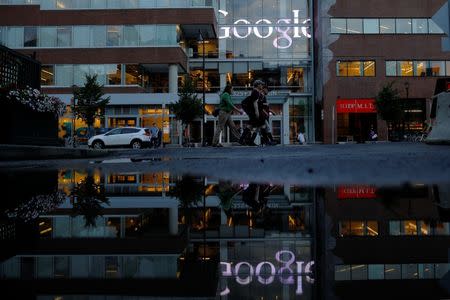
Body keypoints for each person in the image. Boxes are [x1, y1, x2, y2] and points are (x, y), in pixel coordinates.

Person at [239, 80, 267, 146]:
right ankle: (266, 141)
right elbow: (255, 103)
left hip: (251, 110)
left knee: (251, 125)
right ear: (258, 85)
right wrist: (257, 112)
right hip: (252, 111)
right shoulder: (255, 92)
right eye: (261, 84)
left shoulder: (256, 92)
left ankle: (245, 140)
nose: (262, 86)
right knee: (259, 125)